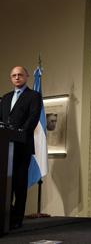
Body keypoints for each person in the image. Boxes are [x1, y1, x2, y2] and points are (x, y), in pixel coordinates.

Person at [0, 66, 42, 229]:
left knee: (18, 184)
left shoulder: (34, 96)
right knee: (5, 185)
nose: (17, 78)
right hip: (4, 149)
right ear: (11, 78)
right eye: (14, 75)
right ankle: (5, 217)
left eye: (20, 75)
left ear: (26, 77)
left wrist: (18, 133)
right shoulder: (5, 97)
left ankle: (17, 219)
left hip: (22, 146)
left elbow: (33, 118)